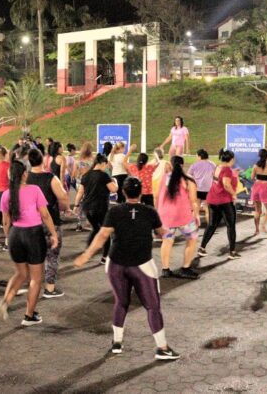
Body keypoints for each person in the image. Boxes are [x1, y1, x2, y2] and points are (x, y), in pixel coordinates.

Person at [74, 178, 181, 360]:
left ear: (123, 192)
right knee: (153, 306)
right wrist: (173, 232)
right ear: (140, 192)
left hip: (116, 264)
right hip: (142, 265)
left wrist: (86, 255)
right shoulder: (149, 212)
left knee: (121, 302)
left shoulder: (114, 211)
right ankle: (162, 348)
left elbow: (102, 235)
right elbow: (163, 233)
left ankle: (117, 343)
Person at [0, 160, 59, 326]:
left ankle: (6, 301)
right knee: (36, 279)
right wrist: (53, 234)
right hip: (33, 234)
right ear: (24, 174)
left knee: (21, 273)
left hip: (16, 234)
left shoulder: (6, 194)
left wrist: (9, 237)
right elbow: (45, 215)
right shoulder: (34, 190)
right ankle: (29, 315)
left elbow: (5, 221)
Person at [26, 149, 71, 298]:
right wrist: (65, 209)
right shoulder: (51, 178)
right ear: (43, 161)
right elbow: (63, 197)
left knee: (32, 254)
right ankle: (49, 288)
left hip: (30, 222)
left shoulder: (24, 178)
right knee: (52, 255)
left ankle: (31, 283)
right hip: (50, 220)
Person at [157, 156, 201, 279]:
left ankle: (165, 269)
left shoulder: (165, 177)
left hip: (165, 217)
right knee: (192, 239)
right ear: (182, 165)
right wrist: (196, 215)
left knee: (167, 241)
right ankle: (185, 268)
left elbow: (158, 196)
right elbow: (194, 201)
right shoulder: (188, 180)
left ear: (170, 165)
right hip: (183, 216)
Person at [74, 154, 118, 264]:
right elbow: (113, 189)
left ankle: (88, 251)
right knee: (106, 232)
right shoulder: (104, 176)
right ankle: (105, 257)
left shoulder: (86, 175)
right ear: (103, 163)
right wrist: (115, 182)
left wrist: (76, 205)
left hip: (87, 209)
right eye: (106, 165)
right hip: (100, 208)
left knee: (96, 229)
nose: (106, 167)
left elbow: (80, 192)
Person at [197, 149, 240, 260]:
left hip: (212, 199)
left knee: (212, 225)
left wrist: (233, 175)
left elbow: (221, 180)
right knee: (231, 226)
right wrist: (234, 194)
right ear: (231, 159)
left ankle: (202, 248)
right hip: (224, 201)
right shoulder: (227, 170)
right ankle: (232, 252)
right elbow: (226, 184)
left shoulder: (218, 167)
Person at [187, 149, 215, 225]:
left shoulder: (195, 165)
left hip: (197, 189)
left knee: (196, 209)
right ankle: (210, 226)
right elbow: (215, 175)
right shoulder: (212, 164)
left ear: (200, 156)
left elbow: (188, 175)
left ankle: (194, 226)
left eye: (197, 156)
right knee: (207, 209)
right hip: (208, 190)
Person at [73, 142, 95, 232]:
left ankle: (79, 223)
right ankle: (89, 222)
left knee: (79, 201)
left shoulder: (78, 160)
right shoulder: (94, 160)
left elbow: (73, 174)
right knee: (89, 201)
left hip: (80, 183)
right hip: (91, 183)